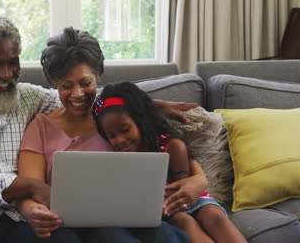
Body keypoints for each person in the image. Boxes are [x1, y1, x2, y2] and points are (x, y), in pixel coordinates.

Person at [0, 16, 199, 243]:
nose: (6, 74)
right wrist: (32, 187)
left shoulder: (30, 98)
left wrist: (148, 106)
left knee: (64, 237)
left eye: (13, 63)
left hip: (20, 222)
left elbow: (81, 95)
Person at [17, 26, 209, 242]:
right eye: (66, 86)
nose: (78, 93)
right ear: (54, 85)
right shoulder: (41, 127)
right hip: (69, 225)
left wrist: (200, 180)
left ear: (98, 77)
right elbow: (30, 187)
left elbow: (166, 144)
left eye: (86, 83)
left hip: (130, 218)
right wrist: (33, 210)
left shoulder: (119, 116)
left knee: (167, 234)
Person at [92, 82, 248, 243]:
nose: (120, 140)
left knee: (215, 216)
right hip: (164, 208)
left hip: (185, 197)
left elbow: (183, 191)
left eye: (125, 130)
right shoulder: (114, 156)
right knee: (184, 221)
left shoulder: (171, 146)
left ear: (139, 120)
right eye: (111, 136)